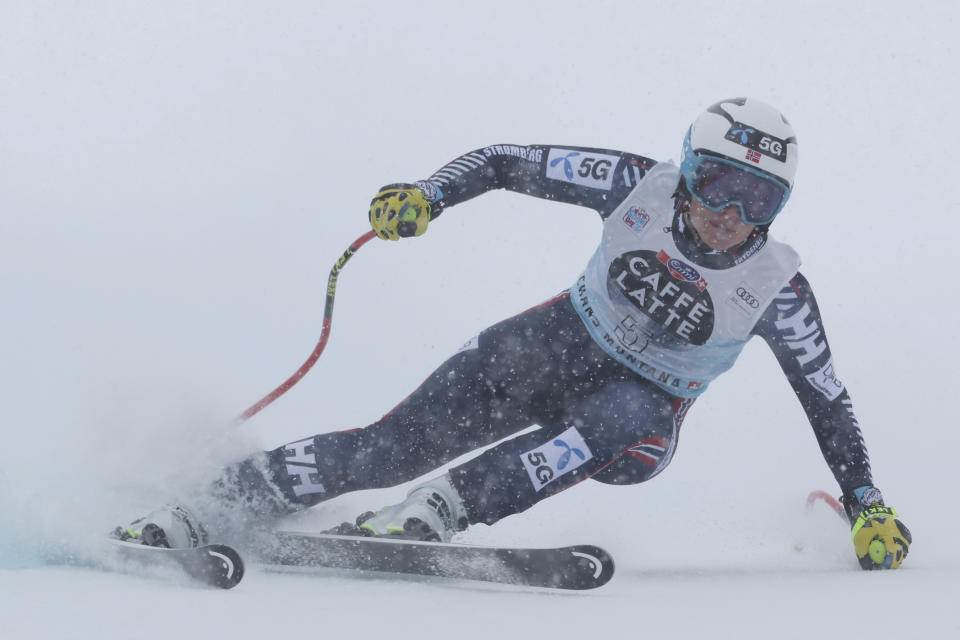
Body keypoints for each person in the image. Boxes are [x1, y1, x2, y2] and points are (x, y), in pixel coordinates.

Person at [115, 98, 911, 570]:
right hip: (551, 347)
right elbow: (506, 159)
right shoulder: (635, 183)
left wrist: (867, 504)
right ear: (688, 170)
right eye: (717, 186)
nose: (728, 216)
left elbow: (827, 400)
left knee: (635, 417)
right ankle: (212, 501)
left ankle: (442, 508)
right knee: (388, 447)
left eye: (757, 203)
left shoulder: (780, 288)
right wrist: (430, 196)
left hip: (637, 418)